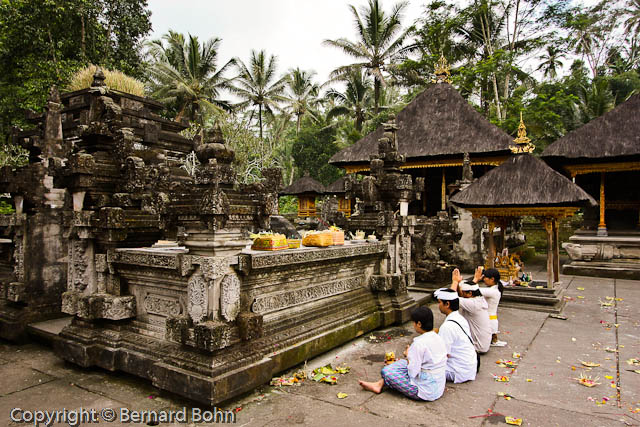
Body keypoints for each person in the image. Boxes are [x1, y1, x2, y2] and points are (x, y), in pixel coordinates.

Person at [359, 306, 447, 401]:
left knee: (386, 372)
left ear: (419, 324)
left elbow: (412, 373)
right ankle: (379, 384)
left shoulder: (419, 344)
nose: (413, 325)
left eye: (414, 322)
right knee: (400, 363)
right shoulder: (438, 337)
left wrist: (408, 355)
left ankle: (381, 383)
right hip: (438, 385)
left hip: (425, 391)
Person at [434, 287, 478, 383]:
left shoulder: (447, 327)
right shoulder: (460, 318)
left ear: (447, 304)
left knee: (422, 366)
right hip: (469, 367)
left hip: (457, 371)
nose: (438, 305)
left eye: (439, 302)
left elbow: (443, 355)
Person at [450, 268, 492, 354]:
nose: (461, 294)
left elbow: (450, 298)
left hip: (477, 347)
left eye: (463, 292)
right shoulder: (477, 298)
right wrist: (475, 279)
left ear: (470, 294)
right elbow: (466, 291)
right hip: (483, 344)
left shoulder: (472, 304)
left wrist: (454, 282)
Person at [474, 267, 507, 347]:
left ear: (492, 279)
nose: (483, 279)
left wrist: (476, 279)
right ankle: (493, 339)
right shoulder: (494, 289)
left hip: (489, 319)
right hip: (491, 318)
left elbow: (472, 290)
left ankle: (492, 339)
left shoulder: (492, 291)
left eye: (485, 277)